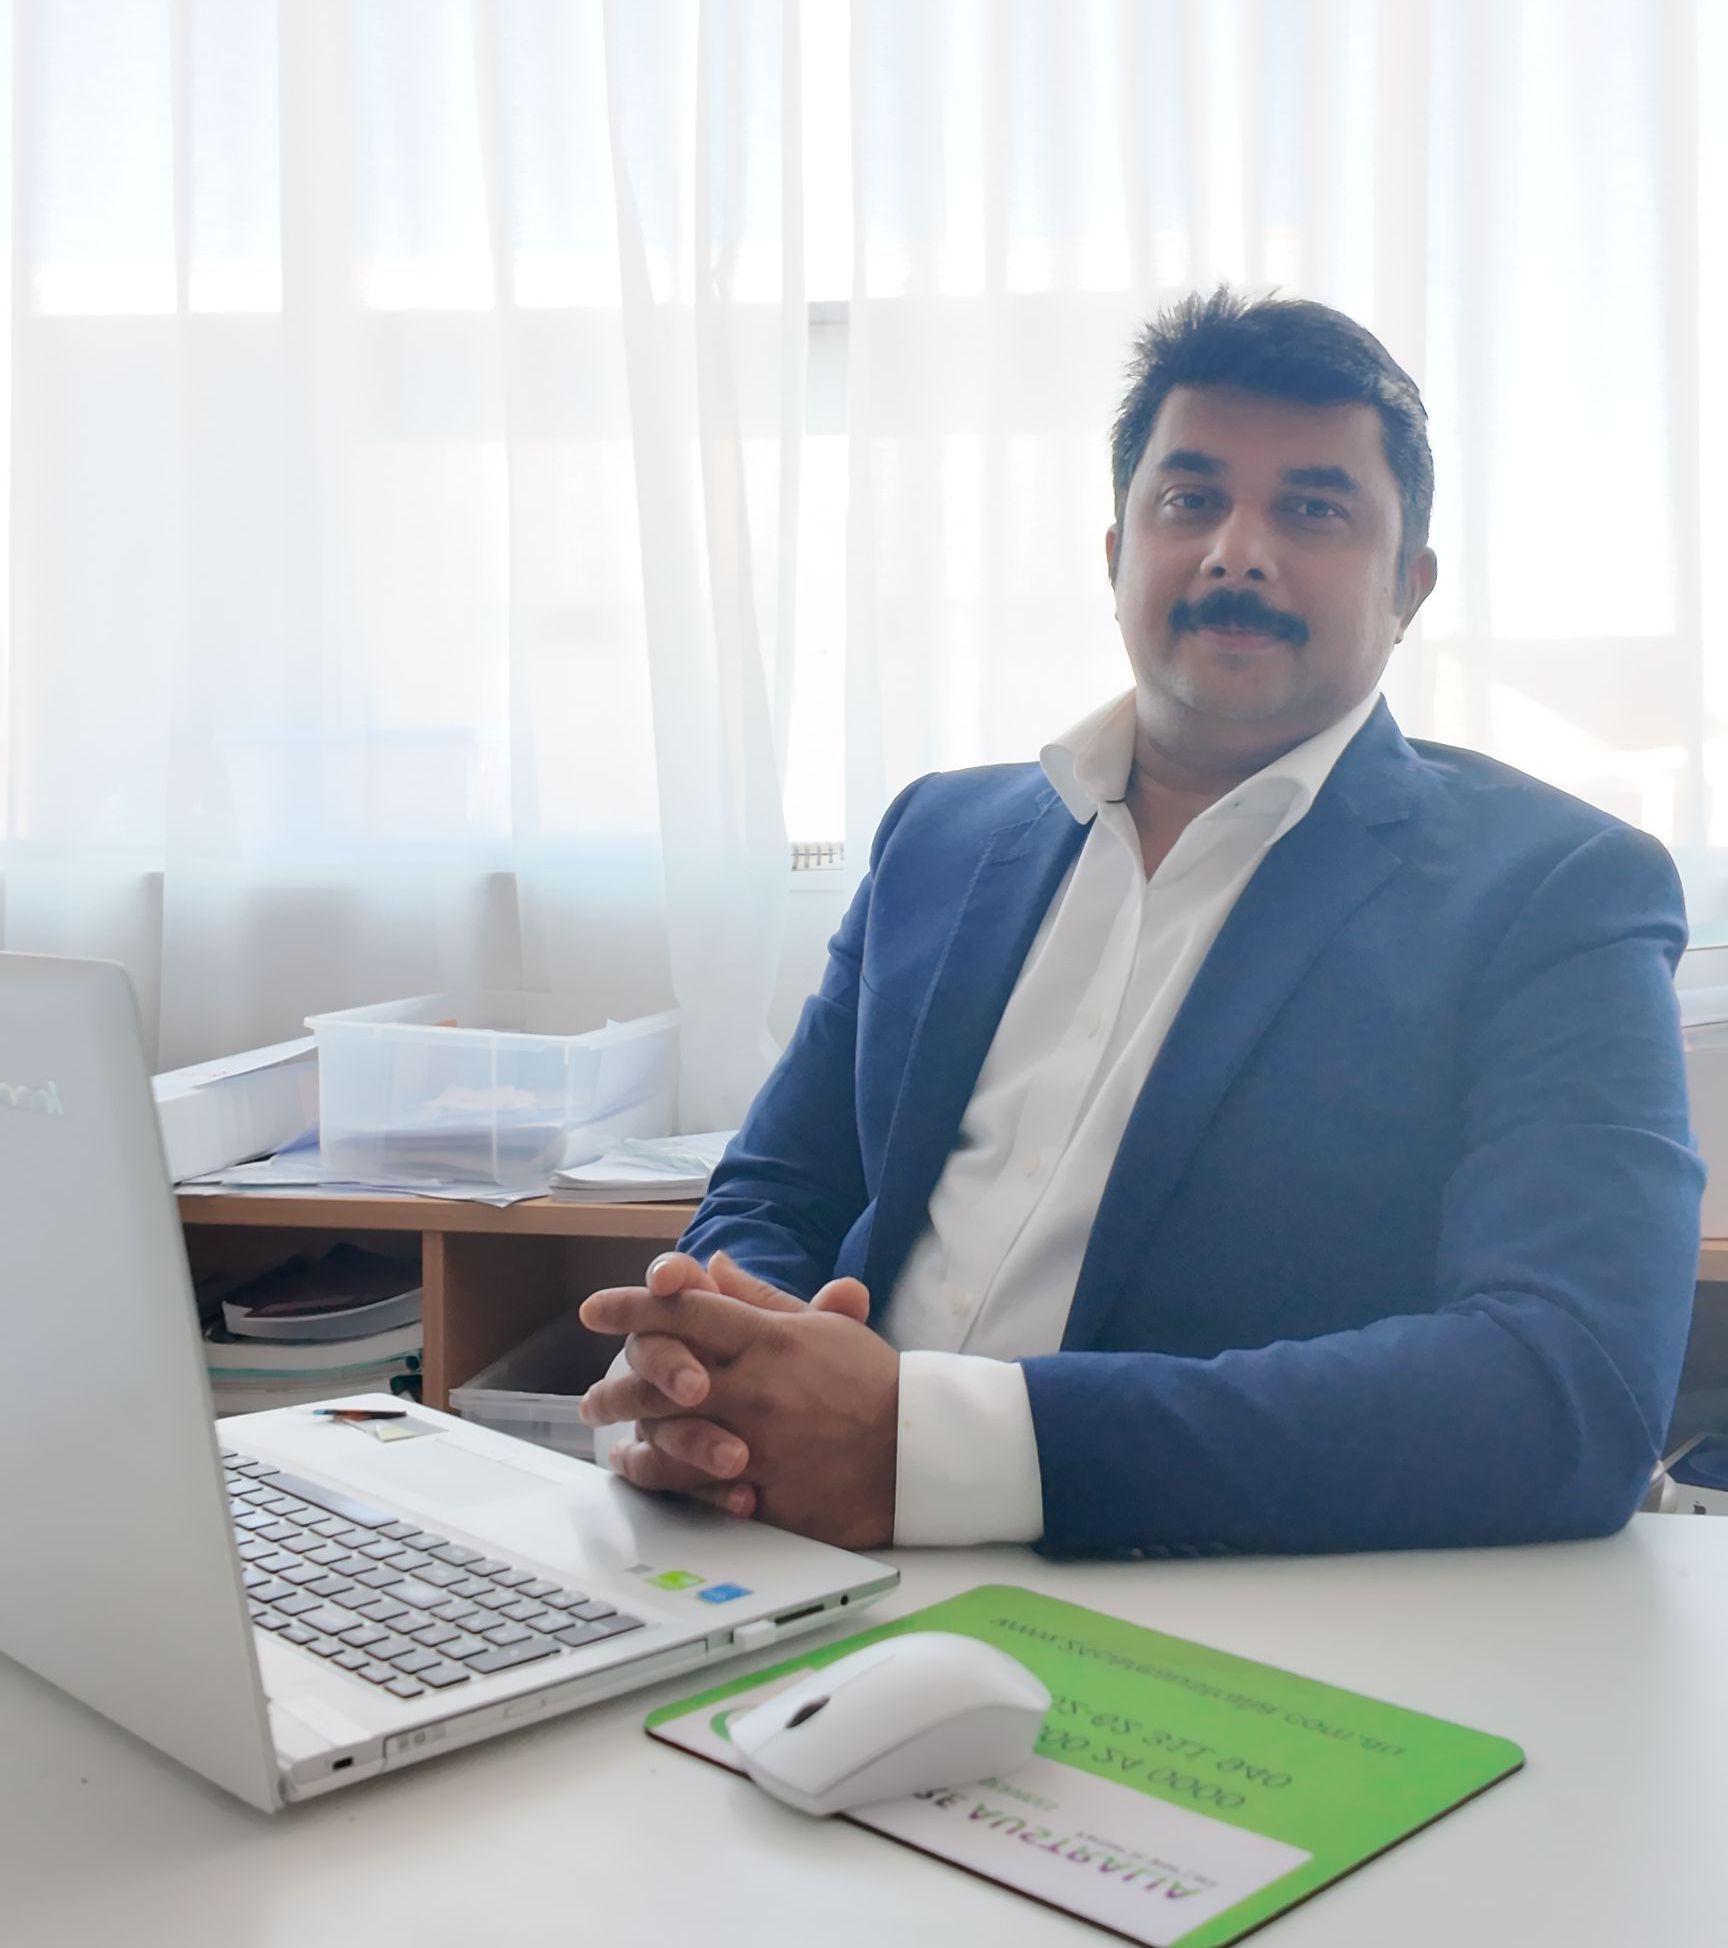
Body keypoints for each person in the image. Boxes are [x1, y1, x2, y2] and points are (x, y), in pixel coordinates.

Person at [578, 288, 1703, 1561]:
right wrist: (725, 1375)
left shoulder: (1555, 889)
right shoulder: (937, 840)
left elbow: (1568, 1390)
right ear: (1115, 549)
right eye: (1190, 498)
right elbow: (779, 1186)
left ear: (1412, 585)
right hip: (799, 1550)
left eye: (1314, 509)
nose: (1238, 551)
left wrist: (925, 1443)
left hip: (1204, 1595)